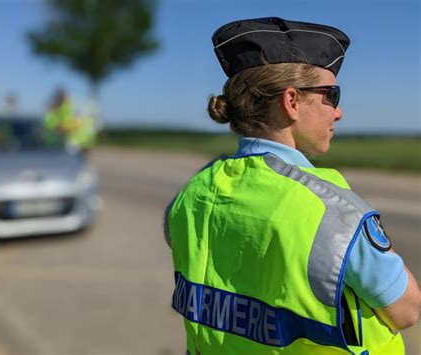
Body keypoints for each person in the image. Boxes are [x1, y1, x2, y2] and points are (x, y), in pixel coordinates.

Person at [164, 17, 420, 354]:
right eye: (331, 95)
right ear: (291, 101)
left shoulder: (192, 192)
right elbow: (406, 310)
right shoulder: (334, 210)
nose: (339, 112)